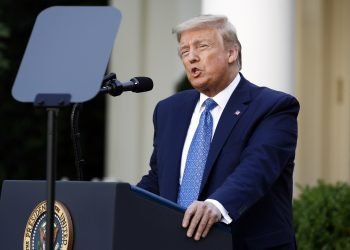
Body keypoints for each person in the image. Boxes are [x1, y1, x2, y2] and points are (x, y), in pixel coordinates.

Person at [137, 14, 299, 250]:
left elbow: (257, 168)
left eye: (201, 46)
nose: (191, 57)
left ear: (232, 53)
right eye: (184, 51)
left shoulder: (272, 107)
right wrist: (120, 201)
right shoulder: (169, 110)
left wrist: (216, 205)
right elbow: (159, 177)